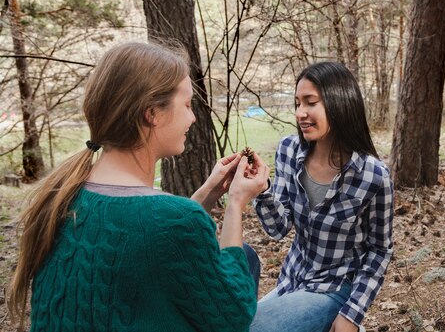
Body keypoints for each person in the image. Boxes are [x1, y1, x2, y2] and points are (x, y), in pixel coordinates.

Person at [7, 42, 270, 332]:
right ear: (152, 113)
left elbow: (149, 233)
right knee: (249, 263)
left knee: (241, 256)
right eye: (186, 105)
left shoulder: (62, 196)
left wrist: (209, 191)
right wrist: (235, 204)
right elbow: (234, 317)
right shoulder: (173, 219)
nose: (193, 117)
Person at [250, 62, 394, 332]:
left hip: (335, 290)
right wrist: (261, 190)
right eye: (297, 103)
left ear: (339, 103)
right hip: (292, 280)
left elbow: (379, 251)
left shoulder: (374, 175)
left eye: (310, 102)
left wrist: (351, 315)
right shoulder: (288, 150)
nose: (300, 113)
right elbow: (278, 229)